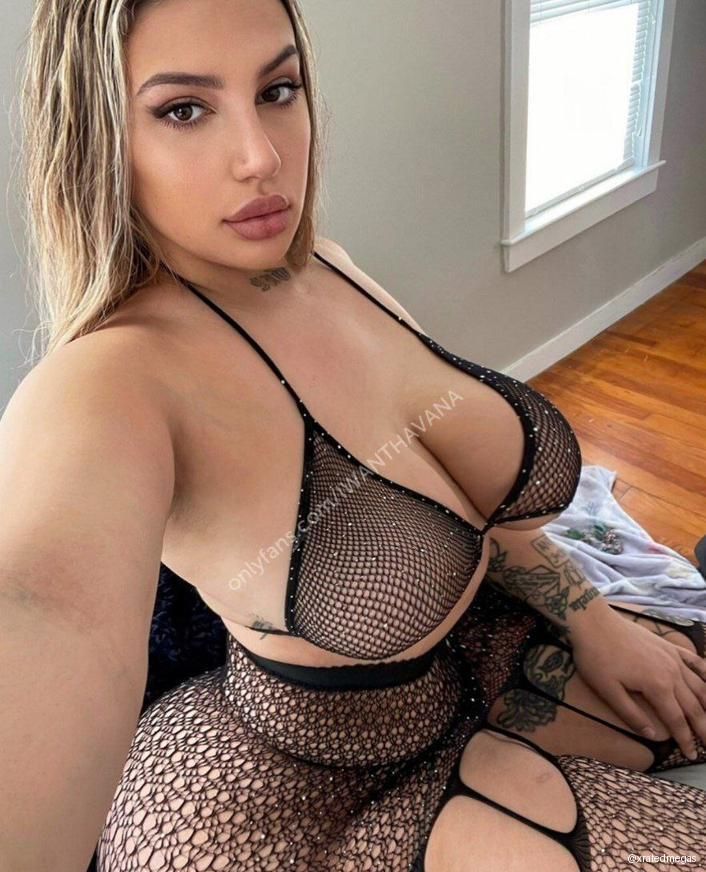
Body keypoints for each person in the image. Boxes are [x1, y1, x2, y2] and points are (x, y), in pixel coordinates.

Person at [3, 0, 705, 870]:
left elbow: (468, 494)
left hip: (474, 658)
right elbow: (43, 610)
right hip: (301, 789)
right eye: (183, 109)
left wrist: (595, 620)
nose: (262, 157)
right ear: (98, 139)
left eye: (278, 90)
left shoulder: (328, 267)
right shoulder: (107, 384)